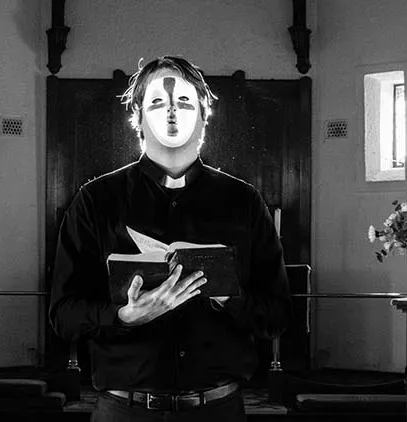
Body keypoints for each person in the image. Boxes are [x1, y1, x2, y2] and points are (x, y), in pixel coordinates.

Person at [49, 55, 291, 421]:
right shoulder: (97, 200)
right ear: (138, 117)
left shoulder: (243, 201)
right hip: (125, 409)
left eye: (184, 102)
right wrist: (124, 316)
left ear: (204, 114)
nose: (172, 113)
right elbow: (63, 314)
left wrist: (227, 295)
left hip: (217, 408)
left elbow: (278, 315)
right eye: (158, 103)